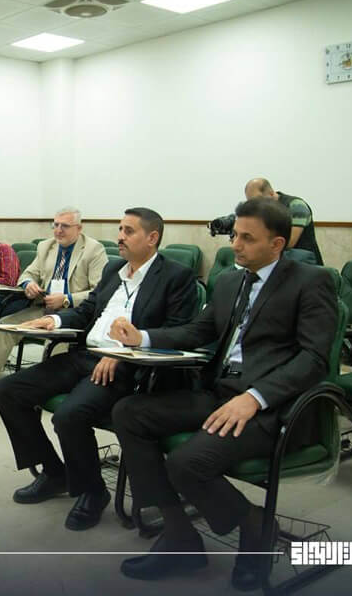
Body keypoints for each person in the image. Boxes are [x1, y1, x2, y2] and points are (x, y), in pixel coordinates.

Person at [108, 197, 336, 590]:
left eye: (247, 238)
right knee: (129, 412)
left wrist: (256, 396)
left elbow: (314, 358)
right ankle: (180, 535)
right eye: (235, 235)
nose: (235, 244)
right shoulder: (231, 279)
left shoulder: (310, 282)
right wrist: (141, 337)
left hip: (271, 408)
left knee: (186, 463)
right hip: (219, 392)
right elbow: (199, 331)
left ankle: (256, 525)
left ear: (277, 244)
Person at [0, 208, 196, 531]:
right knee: (8, 390)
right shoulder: (115, 269)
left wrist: (126, 351)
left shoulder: (176, 276)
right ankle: (55, 472)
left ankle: (93, 491)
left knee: (69, 415)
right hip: (86, 354)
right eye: (120, 229)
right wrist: (54, 320)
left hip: (127, 367)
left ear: (152, 237)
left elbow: (178, 331)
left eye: (128, 231)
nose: (120, 237)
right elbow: (88, 310)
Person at [0, 207, 106, 402]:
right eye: (55, 225)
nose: (58, 230)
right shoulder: (46, 246)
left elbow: (99, 291)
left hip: (73, 313)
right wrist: (28, 284)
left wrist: (67, 298)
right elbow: (27, 274)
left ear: (79, 228)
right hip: (45, 308)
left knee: (57, 348)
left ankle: (45, 388)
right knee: (6, 325)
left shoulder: (93, 250)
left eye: (65, 226)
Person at [244, 178, 323, 264]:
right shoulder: (263, 210)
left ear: (271, 194)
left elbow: (290, 242)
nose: (255, 205)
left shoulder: (296, 206)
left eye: (257, 200)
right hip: (278, 261)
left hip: (304, 263)